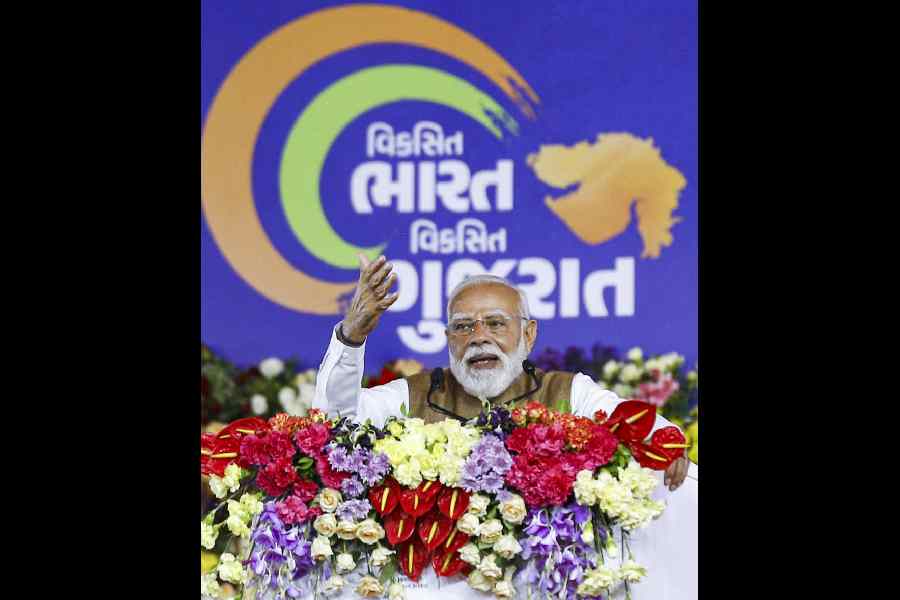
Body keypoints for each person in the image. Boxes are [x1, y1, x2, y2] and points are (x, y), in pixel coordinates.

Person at [313, 254, 689, 491]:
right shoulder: (413, 396)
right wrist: (352, 335)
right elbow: (332, 427)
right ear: (448, 339)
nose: (478, 337)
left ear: (528, 333)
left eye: (495, 323)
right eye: (463, 327)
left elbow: (638, 425)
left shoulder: (568, 393)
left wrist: (665, 446)